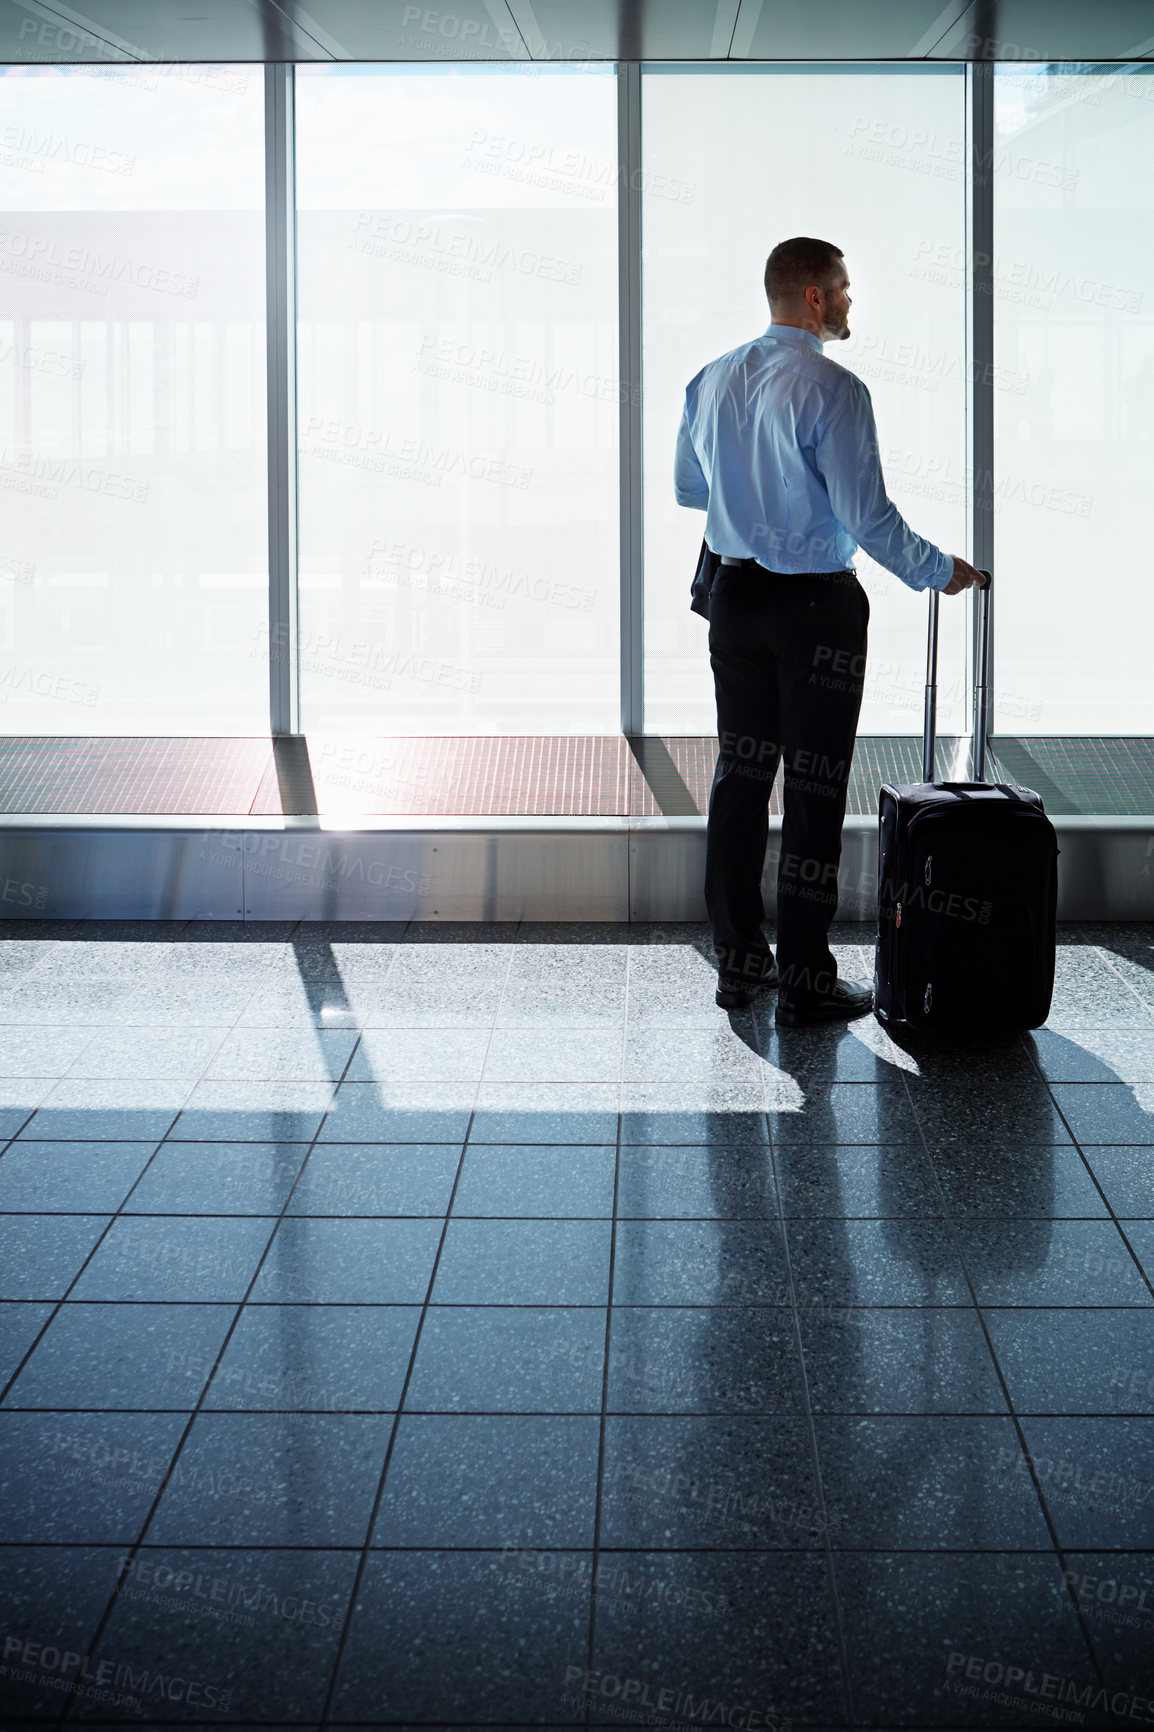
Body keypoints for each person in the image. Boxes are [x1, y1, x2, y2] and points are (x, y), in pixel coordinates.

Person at [674, 236, 982, 1021]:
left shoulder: (711, 378)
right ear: (811, 295)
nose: (848, 302)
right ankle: (807, 982)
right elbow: (867, 518)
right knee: (812, 790)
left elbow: (689, 488)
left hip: (734, 599)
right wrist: (937, 568)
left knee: (739, 783)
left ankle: (739, 966)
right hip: (814, 609)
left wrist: (753, 496)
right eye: (842, 289)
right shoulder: (835, 389)